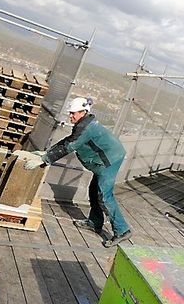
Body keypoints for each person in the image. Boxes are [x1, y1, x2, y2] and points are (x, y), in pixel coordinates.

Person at [26, 96, 131, 246]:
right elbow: (68, 141)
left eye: (73, 113)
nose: (70, 116)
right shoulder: (84, 124)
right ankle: (95, 223)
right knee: (94, 190)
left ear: (83, 112)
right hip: (106, 159)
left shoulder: (86, 128)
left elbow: (69, 146)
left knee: (104, 196)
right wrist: (46, 154)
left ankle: (122, 230)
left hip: (109, 160)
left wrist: (45, 160)